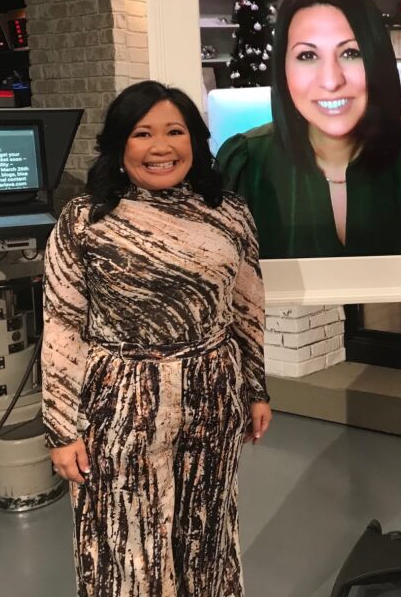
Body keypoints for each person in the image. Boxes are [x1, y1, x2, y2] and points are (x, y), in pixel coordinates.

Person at [42, 80, 272, 597]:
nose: (161, 147)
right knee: (121, 542)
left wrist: (255, 388)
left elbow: (247, 307)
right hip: (118, 401)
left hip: (211, 392)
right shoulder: (83, 221)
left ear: (196, 141)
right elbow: (61, 326)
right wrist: (61, 430)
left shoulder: (229, 213)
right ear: (120, 145)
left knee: (205, 532)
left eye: (176, 131)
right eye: (143, 133)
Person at [217, 0, 401, 258]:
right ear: (283, 70)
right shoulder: (246, 166)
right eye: (307, 56)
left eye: (351, 53)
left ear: (376, 59)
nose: (331, 81)